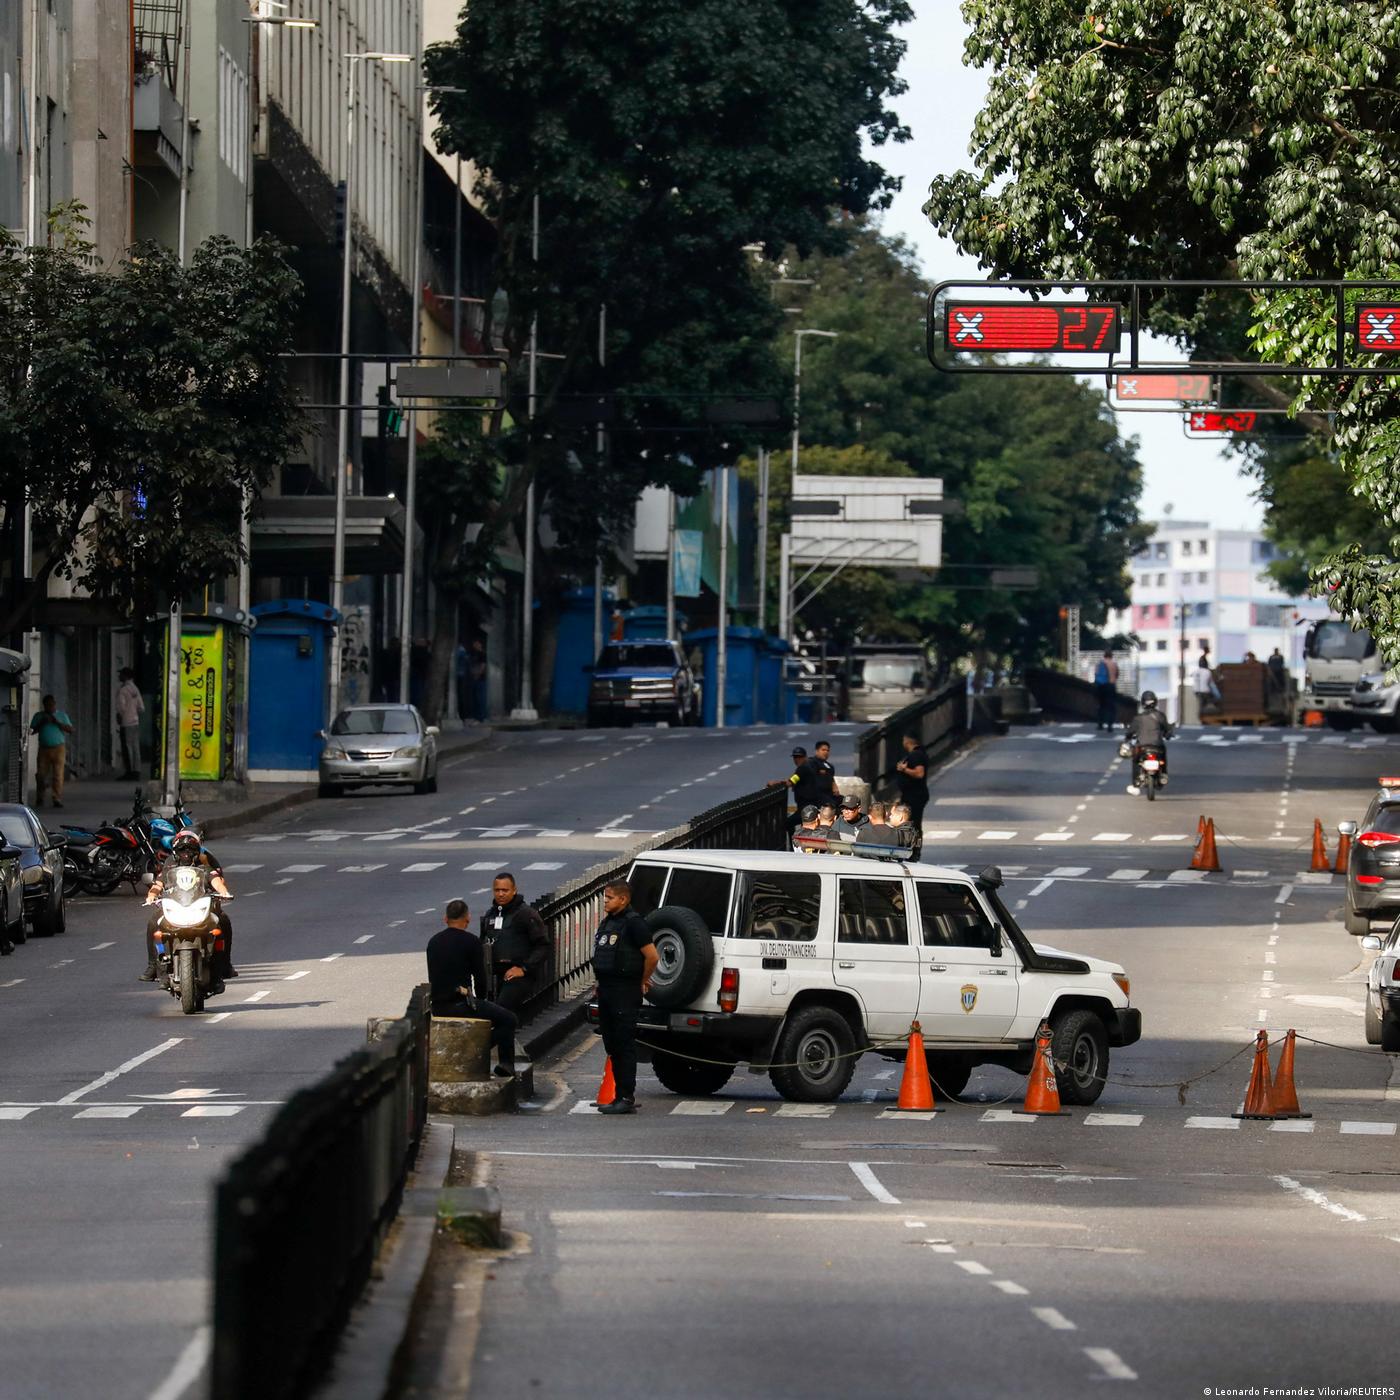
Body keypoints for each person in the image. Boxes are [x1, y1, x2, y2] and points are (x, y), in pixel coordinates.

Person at [426, 899, 519, 1076]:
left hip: (438, 1005)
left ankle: (473, 1051)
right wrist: (482, 1000)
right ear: (467, 919)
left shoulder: (434, 942)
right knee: (508, 1019)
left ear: (446, 919)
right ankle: (503, 1063)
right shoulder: (471, 941)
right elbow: (480, 977)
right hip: (461, 1004)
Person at [591, 879, 659, 1115]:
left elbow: (652, 956)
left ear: (623, 899)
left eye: (609, 898)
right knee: (611, 1043)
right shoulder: (609, 922)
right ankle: (618, 1095)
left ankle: (625, 1097)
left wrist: (642, 980)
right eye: (605, 897)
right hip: (607, 990)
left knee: (624, 1044)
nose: (605, 901)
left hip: (625, 991)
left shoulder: (634, 923)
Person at [140, 829, 235, 984]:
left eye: (190, 850)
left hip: (201, 904)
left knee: (223, 920)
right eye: (182, 850)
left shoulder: (204, 864)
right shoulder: (170, 864)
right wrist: (151, 895)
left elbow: (216, 881)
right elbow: (158, 883)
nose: (186, 854)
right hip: (176, 905)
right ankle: (153, 966)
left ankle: (224, 965)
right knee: (153, 923)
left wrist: (224, 892)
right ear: (175, 851)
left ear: (197, 850)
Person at [481, 872, 551, 1019]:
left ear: (514, 890)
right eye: (497, 890)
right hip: (495, 975)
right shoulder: (490, 915)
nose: (500, 894)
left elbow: (543, 946)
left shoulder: (526, 914)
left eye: (505, 890)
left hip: (518, 975)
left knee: (502, 1009)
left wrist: (524, 968)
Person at [1125, 691, 1175, 795]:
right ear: (1155, 702)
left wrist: (1128, 738)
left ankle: (1136, 782)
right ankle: (1163, 774)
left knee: (1135, 760)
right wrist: (1168, 734)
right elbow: (1167, 729)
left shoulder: (1138, 718)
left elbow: (1130, 732)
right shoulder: (1160, 716)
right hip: (1157, 746)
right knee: (1163, 756)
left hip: (1142, 747)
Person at [30, 694, 73, 809]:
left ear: (55, 704)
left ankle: (56, 798)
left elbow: (70, 729)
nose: (50, 708)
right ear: (44, 706)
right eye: (47, 705)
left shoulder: (61, 715)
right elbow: (31, 731)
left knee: (58, 774)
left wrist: (56, 722)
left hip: (59, 748)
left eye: (51, 705)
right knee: (41, 774)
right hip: (44, 748)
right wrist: (42, 723)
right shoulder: (39, 716)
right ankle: (40, 797)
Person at [894, 732, 930, 857]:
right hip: (912, 794)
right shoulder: (918, 754)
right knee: (911, 824)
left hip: (915, 795)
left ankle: (914, 851)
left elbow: (919, 773)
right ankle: (912, 849)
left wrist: (904, 769)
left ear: (907, 741)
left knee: (913, 825)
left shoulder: (916, 755)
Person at [115, 669, 144, 780]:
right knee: (135, 747)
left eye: (121, 674)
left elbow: (121, 707)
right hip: (135, 721)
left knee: (127, 747)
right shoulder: (135, 689)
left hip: (126, 723)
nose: (119, 676)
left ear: (126, 676)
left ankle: (129, 772)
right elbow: (141, 707)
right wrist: (133, 713)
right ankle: (136, 771)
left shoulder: (123, 690)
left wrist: (120, 716)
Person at [1093, 651, 1116, 731]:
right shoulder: (1113, 664)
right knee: (1111, 706)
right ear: (1111, 656)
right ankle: (1110, 726)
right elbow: (1116, 675)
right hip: (1110, 686)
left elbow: (1095, 674)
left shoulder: (1099, 664)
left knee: (1101, 705)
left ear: (1104, 656)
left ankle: (1100, 724)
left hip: (1100, 686)